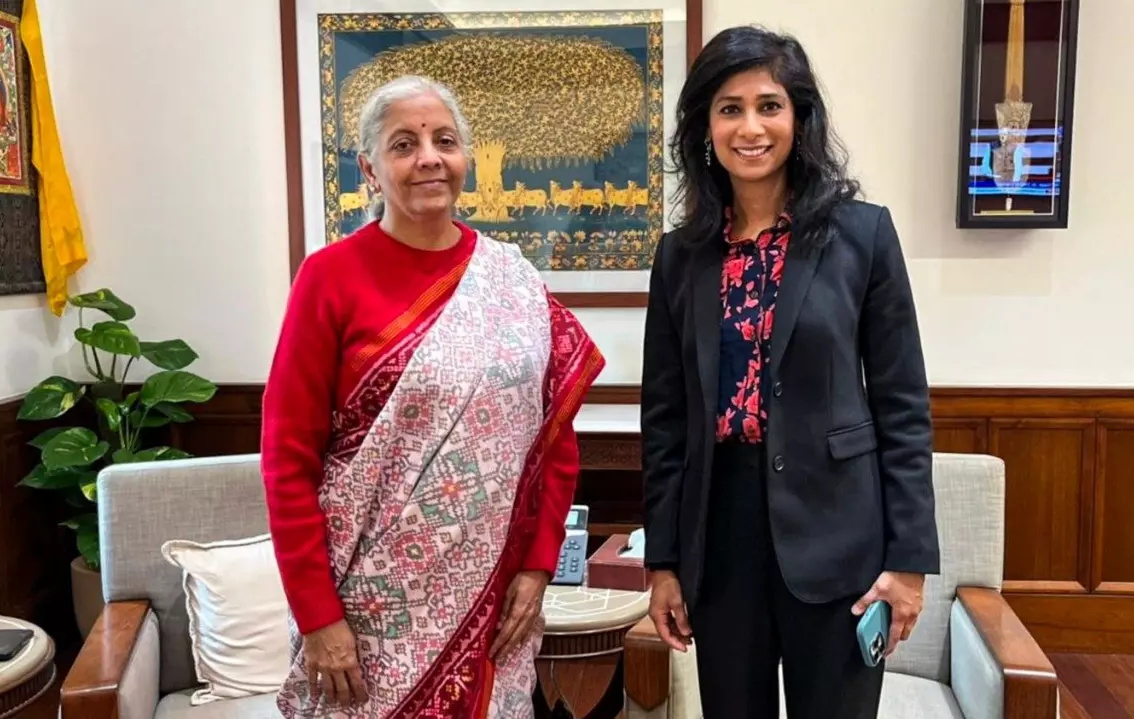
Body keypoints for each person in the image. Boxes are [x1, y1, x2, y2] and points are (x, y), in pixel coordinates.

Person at [261, 75, 604, 717]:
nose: (428, 157)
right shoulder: (328, 278)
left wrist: (536, 568)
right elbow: (286, 461)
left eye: (444, 141)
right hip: (365, 610)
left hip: (494, 602)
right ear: (369, 166)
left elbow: (553, 438)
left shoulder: (513, 279)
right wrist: (317, 617)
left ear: (465, 160)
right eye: (404, 144)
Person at [639, 26, 940, 718]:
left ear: (799, 117)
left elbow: (901, 404)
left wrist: (911, 562)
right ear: (705, 127)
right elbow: (665, 419)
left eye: (769, 105)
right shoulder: (680, 257)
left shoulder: (861, 235)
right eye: (729, 108)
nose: (750, 126)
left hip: (839, 534)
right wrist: (664, 562)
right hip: (720, 539)